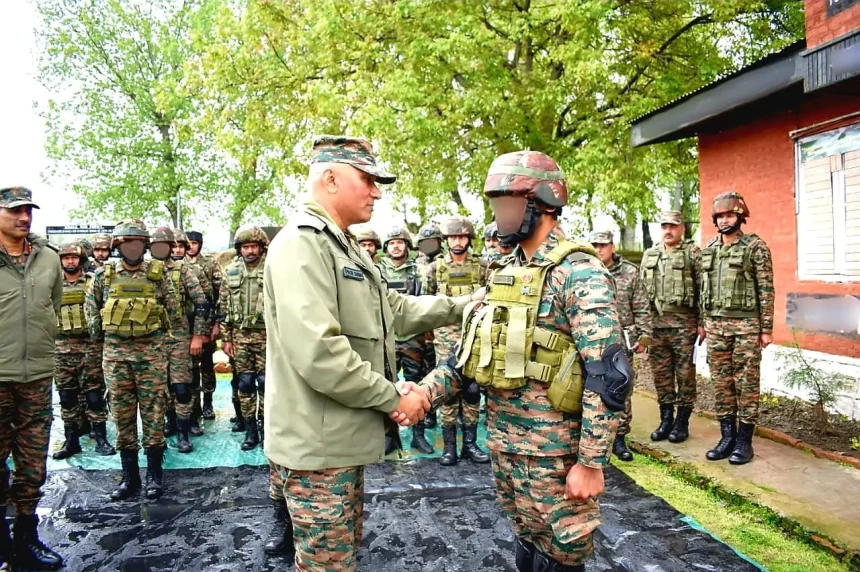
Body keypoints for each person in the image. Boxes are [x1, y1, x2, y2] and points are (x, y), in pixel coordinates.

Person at [264, 135, 479, 572]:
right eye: (367, 180)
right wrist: (395, 398)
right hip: (318, 451)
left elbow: (393, 312)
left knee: (342, 558)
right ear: (330, 178)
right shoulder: (302, 244)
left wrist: (464, 304)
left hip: (339, 443)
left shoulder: (341, 244)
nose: (377, 192)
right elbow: (321, 353)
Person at [417, 151, 630, 572]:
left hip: (555, 456)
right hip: (505, 445)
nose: (499, 215)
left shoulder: (578, 272)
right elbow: (470, 356)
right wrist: (424, 393)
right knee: (527, 549)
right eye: (496, 204)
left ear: (543, 203)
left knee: (561, 556)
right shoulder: (504, 271)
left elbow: (609, 375)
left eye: (507, 204)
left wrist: (591, 462)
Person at [85, 218, 179, 501]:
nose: (134, 247)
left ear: (145, 245)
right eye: (128, 243)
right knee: (123, 417)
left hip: (151, 357)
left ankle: (154, 476)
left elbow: (172, 311)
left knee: (153, 415)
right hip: (116, 358)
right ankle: (129, 477)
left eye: (138, 242)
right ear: (119, 245)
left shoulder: (157, 274)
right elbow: (92, 313)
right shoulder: (104, 275)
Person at [0, 186, 65, 570]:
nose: (24, 217)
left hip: (37, 376)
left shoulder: (49, 260)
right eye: (14, 211)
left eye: (28, 211)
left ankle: (26, 536)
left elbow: (51, 308)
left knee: (32, 463)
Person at [700, 192, 774, 465]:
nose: (724, 220)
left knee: (746, 383)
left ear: (740, 216)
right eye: (720, 216)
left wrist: (766, 329)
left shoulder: (755, 247)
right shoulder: (710, 247)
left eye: (730, 215)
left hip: (746, 326)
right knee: (721, 382)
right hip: (715, 325)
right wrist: (702, 324)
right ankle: (726, 437)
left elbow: (766, 289)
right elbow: (702, 290)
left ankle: (744, 442)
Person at [422, 215, 490, 466]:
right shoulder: (435, 268)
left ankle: (470, 445)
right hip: (444, 339)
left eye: (462, 236)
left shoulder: (482, 266)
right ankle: (449, 447)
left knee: (472, 390)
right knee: (447, 392)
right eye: (453, 237)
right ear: (446, 240)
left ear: (469, 239)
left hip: (474, 336)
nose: (458, 241)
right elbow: (426, 303)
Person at [640, 211, 703, 443]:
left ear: (682, 228)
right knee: (661, 376)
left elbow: (703, 290)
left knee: (685, 375)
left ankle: (682, 422)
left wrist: (702, 324)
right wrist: (642, 327)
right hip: (656, 327)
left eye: (673, 226)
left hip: (684, 326)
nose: (668, 230)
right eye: (665, 226)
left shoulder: (693, 254)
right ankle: (666, 419)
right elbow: (641, 295)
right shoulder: (650, 254)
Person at [590, 230, 652, 462]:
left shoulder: (629, 272)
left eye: (603, 245)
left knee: (622, 387)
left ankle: (619, 438)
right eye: (595, 244)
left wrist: (644, 337)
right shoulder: (588, 271)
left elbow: (642, 305)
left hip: (621, 340)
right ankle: (596, 435)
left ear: (613, 247)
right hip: (593, 338)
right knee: (593, 385)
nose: (599, 249)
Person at [149, 227, 211, 454]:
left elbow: (202, 303)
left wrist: (197, 336)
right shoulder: (145, 270)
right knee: (159, 388)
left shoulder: (183, 270)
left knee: (182, 387)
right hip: (152, 340)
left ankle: (184, 432)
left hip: (179, 337)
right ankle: (170, 423)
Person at [52, 242, 115, 460]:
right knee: (67, 396)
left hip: (90, 347)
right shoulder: (52, 284)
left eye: (74, 257)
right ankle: (71, 441)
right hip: (60, 349)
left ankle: (101, 439)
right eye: (66, 257)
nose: (70, 261)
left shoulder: (92, 281)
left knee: (94, 395)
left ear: (80, 259)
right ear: (60, 260)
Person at [378, 227, 433, 454]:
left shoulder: (419, 270)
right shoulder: (377, 270)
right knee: (387, 386)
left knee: (415, 385)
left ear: (407, 246)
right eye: (391, 243)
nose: (396, 246)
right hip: (387, 337)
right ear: (386, 247)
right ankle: (390, 436)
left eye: (400, 242)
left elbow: (426, 300)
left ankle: (418, 436)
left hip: (413, 338)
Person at [219, 226, 269, 450]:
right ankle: (250, 432)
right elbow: (223, 307)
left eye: (253, 246)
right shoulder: (231, 271)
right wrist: (226, 339)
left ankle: (267, 429)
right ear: (240, 249)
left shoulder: (273, 269)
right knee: (246, 384)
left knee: (267, 384)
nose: (250, 251)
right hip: (239, 336)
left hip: (267, 336)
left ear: (261, 247)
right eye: (245, 247)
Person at [186, 230, 221, 422]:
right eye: (188, 243)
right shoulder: (178, 264)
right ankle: (193, 407)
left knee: (207, 366)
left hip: (206, 322)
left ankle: (208, 402)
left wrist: (216, 323)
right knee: (189, 369)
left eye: (194, 243)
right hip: (185, 326)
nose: (191, 247)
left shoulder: (209, 263)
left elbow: (218, 294)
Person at [415, 223, 444, 429]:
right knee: (424, 370)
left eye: (432, 241)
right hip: (423, 327)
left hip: (444, 328)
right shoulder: (416, 266)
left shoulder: (446, 263)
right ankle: (427, 412)